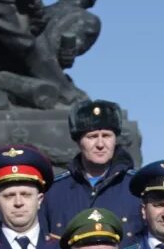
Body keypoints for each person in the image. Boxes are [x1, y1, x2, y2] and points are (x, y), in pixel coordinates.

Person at [44, 99, 142, 240]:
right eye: (92, 137)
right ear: (78, 141)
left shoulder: (137, 187)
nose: (100, 144)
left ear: (115, 139)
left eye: (107, 136)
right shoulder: (54, 191)